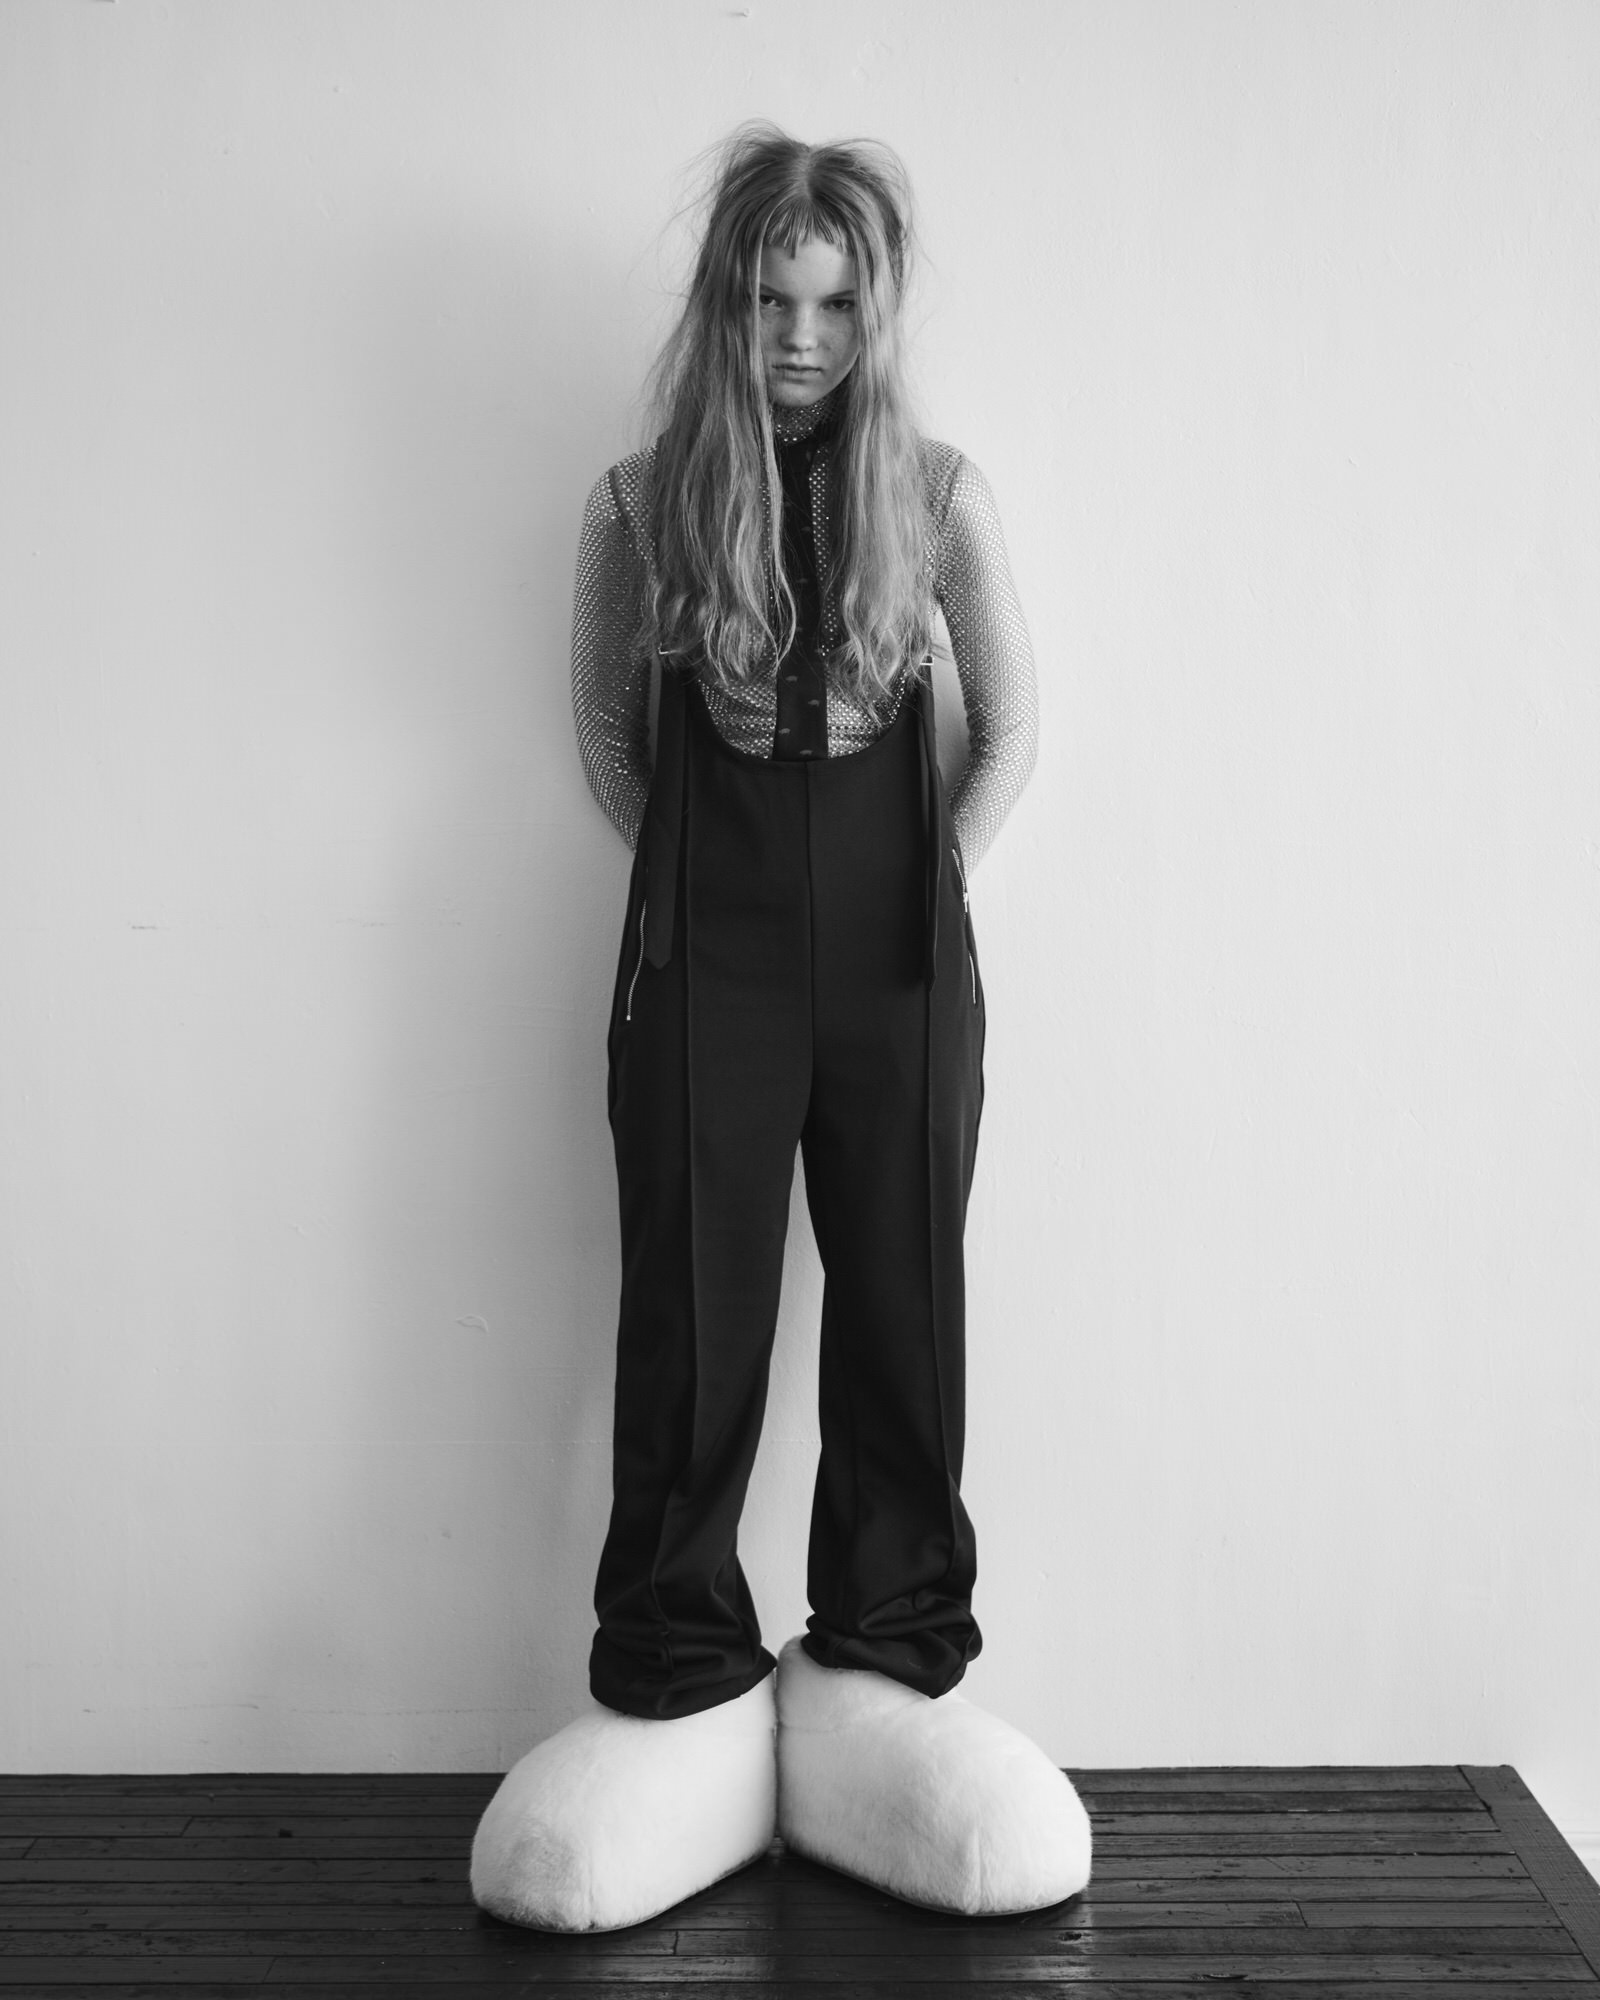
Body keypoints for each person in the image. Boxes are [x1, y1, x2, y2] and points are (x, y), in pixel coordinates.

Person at [470, 123, 1090, 1933]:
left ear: (871, 314)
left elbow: (1015, 724)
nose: (801, 338)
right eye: (769, 301)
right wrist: (703, 891)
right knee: (692, 1307)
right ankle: (676, 1657)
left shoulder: (941, 495)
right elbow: (610, 736)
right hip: (705, 953)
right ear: (724, 303)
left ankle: (887, 1647)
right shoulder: (638, 504)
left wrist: (935, 878)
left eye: (832, 306)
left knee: (904, 1300)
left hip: (900, 958)